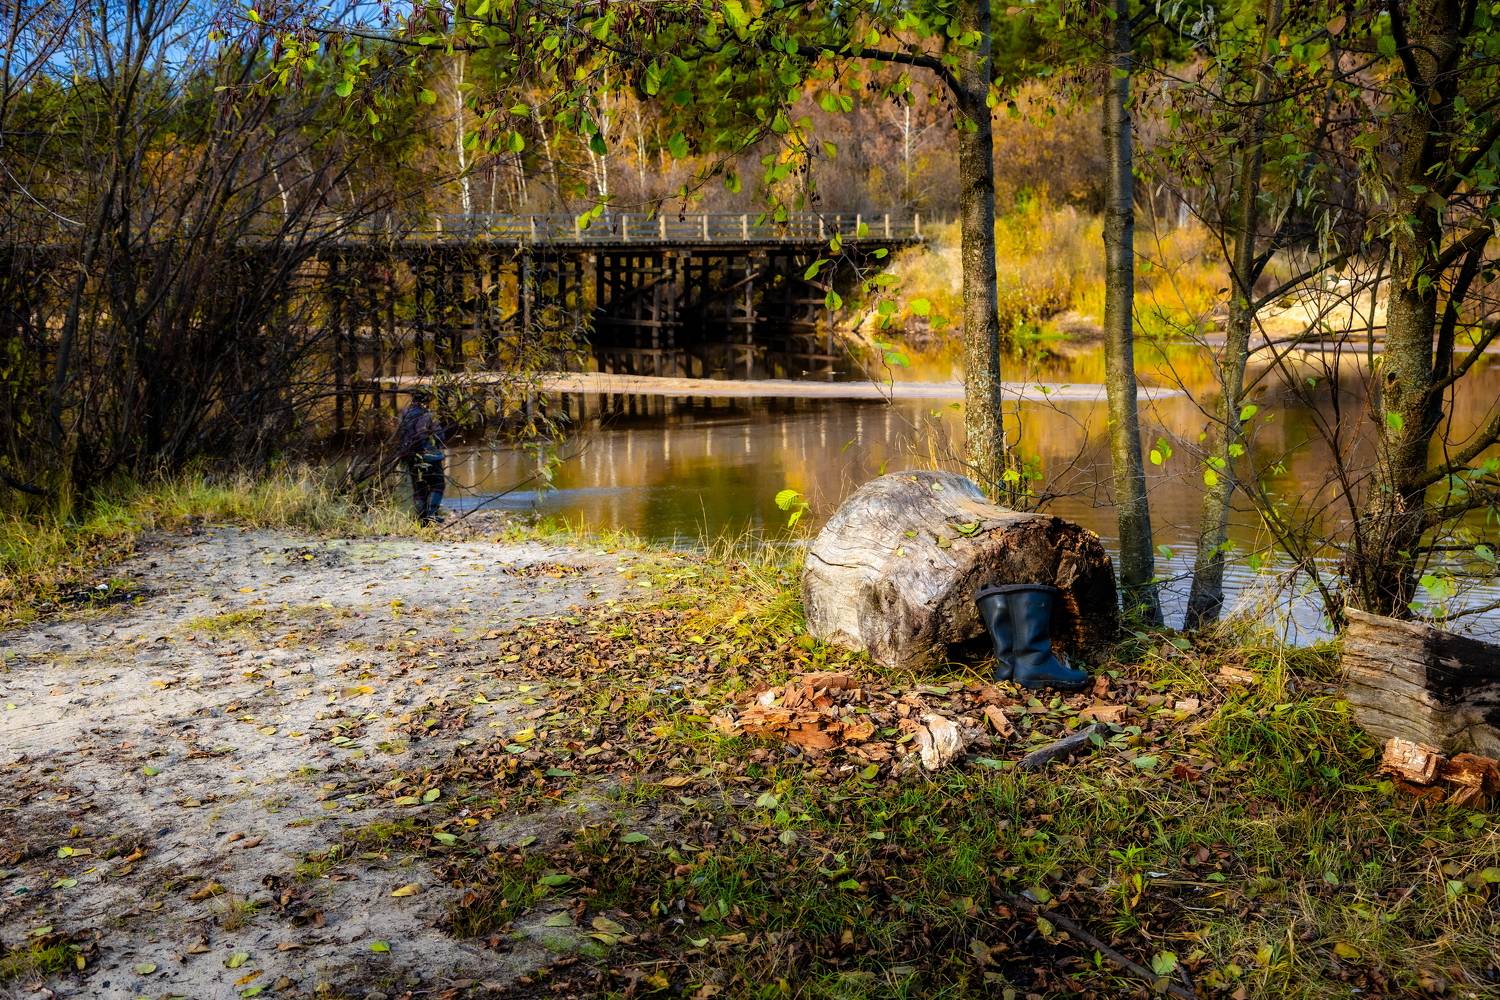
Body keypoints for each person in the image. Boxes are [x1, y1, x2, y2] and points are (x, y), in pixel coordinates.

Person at [397, 389, 446, 524]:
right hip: (428, 455)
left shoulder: (403, 415)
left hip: (409, 456)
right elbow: (440, 437)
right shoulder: (428, 416)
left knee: (419, 487)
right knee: (438, 485)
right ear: (425, 401)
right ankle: (431, 514)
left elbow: (399, 436)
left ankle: (421, 519)